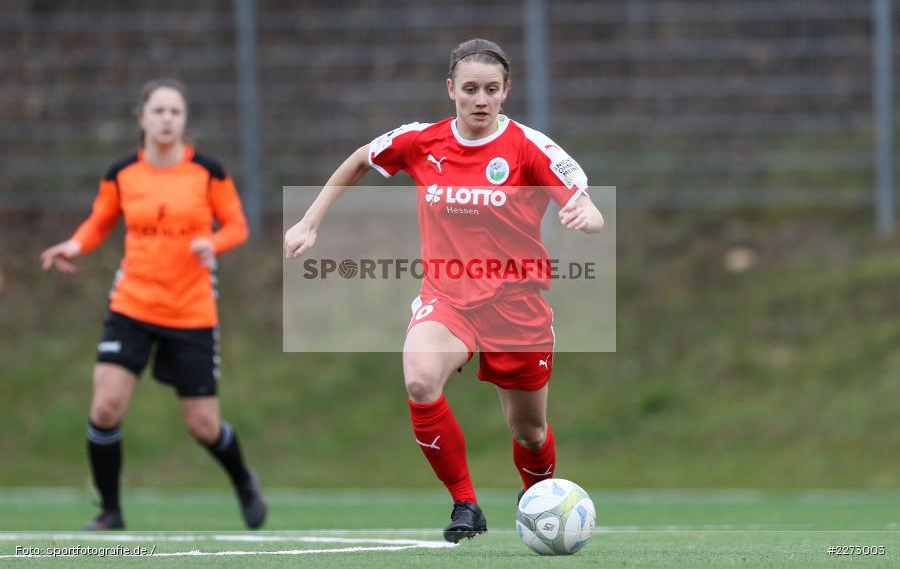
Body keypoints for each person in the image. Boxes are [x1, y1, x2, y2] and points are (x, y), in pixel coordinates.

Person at [284, 38, 603, 542]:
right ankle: (465, 504)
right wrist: (309, 221)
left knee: (531, 434)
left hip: (517, 305)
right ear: (451, 89)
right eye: (470, 88)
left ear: (506, 92)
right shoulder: (422, 141)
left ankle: (538, 494)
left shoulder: (529, 148)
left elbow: (586, 202)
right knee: (419, 380)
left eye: (492, 90)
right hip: (448, 298)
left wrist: (587, 213)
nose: (481, 99)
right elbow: (361, 159)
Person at [40, 78, 267, 531]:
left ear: (184, 120)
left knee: (203, 426)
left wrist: (213, 243)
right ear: (141, 118)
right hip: (133, 305)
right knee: (104, 408)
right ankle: (110, 511)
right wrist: (75, 245)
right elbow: (99, 221)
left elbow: (237, 226)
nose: (167, 119)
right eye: (158, 111)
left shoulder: (207, 170)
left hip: (192, 311)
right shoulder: (122, 173)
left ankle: (243, 480)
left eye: (175, 112)